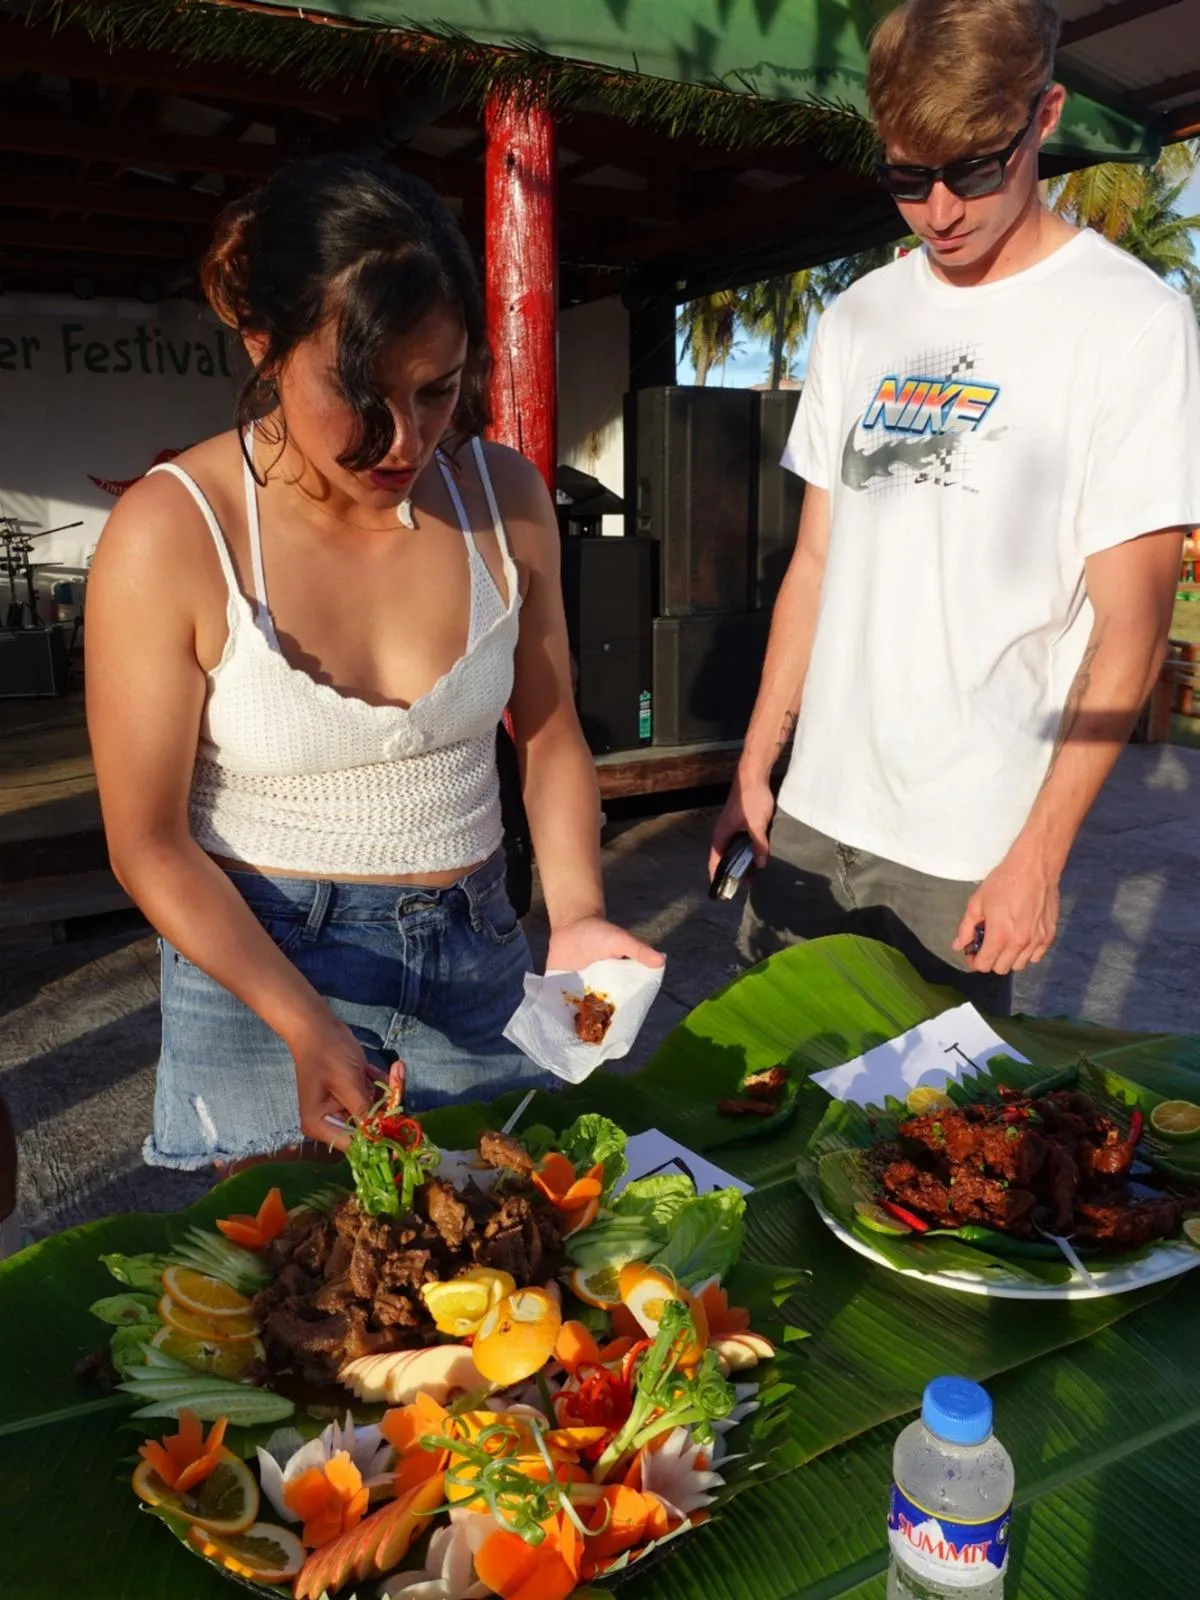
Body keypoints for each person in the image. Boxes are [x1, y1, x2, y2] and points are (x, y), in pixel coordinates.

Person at [87, 154, 662, 1171]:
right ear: (264, 343)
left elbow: (551, 731)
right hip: (260, 962)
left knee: (498, 1250)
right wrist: (302, 1021)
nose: (405, 441)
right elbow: (148, 842)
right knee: (304, 1263)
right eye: (360, 394)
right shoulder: (174, 530)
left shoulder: (502, 498)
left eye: (437, 391)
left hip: (478, 948)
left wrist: (576, 913)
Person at [711, 0, 1200, 1014]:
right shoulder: (860, 317)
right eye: (906, 177)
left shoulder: (1131, 324)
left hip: (964, 850)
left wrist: (1039, 854)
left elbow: (1133, 627)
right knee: (757, 1095)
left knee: (921, 1112)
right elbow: (816, 563)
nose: (939, 210)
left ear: (1044, 115)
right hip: (812, 816)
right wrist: (756, 765)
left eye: (974, 170)